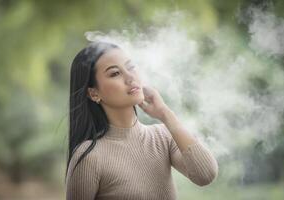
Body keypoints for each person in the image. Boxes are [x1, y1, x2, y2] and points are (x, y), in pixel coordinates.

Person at [65, 41, 218, 200]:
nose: (130, 77)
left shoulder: (162, 137)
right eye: (115, 73)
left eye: (131, 67)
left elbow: (205, 175)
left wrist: (165, 114)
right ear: (94, 93)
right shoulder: (89, 156)